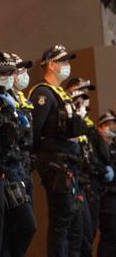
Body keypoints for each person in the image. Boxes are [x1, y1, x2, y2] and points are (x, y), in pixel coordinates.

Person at [29, 44, 84, 257]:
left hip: (68, 162)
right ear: (51, 65)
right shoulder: (43, 93)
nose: (67, 66)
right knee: (61, 219)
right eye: (63, 62)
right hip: (55, 164)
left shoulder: (60, 94)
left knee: (73, 220)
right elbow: (35, 129)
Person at [65, 78, 110, 257]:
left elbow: (101, 155)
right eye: (80, 90)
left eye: (86, 91)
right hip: (75, 180)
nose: (84, 95)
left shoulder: (87, 121)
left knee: (88, 235)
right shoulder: (69, 115)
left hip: (91, 183)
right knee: (76, 236)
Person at [0, 52, 38, 257]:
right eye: (17, 70)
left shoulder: (21, 99)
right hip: (10, 166)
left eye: (23, 70)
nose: (22, 74)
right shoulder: (2, 97)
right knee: (24, 225)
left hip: (24, 167)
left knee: (17, 227)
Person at [97, 110, 116, 257]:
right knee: (109, 236)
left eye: (112, 125)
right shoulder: (97, 147)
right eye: (107, 125)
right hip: (107, 197)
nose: (110, 128)